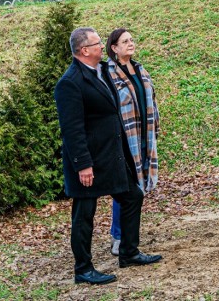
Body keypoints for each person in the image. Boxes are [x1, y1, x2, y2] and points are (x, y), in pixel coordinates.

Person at [54, 27, 162, 286]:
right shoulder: (70, 83)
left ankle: (128, 252)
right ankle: (83, 269)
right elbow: (72, 130)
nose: (102, 47)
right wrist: (83, 165)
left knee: (133, 195)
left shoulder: (102, 71)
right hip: (88, 161)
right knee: (84, 214)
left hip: (110, 156)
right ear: (84, 50)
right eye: (97, 43)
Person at [105, 28, 160, 256]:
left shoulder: (139, 68)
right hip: (123, 139)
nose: (130, 44)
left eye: (131, 40)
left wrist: (155, 127)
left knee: (136, 187)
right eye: (124, 41)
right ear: (114, 48)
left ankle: (127, 235)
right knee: (125, 189)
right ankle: (118, 237)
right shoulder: (108, 72)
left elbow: (151, 99)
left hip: (143, 137)